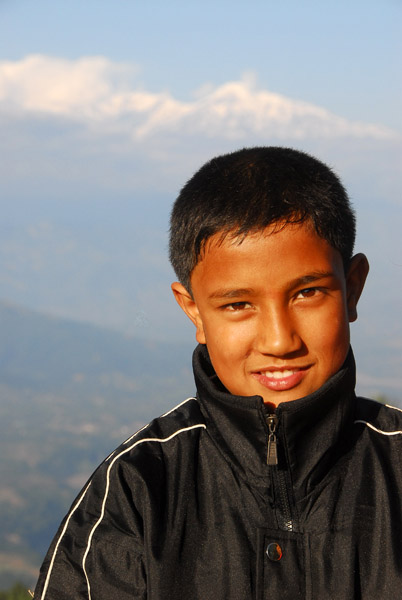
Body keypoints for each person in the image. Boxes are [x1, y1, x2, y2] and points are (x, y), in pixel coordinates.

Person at [33, 147, 402, 599]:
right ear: (194, 313)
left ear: (353, 288)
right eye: (238, 304)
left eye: (307, 293)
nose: (279, 340)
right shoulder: (138, 492)